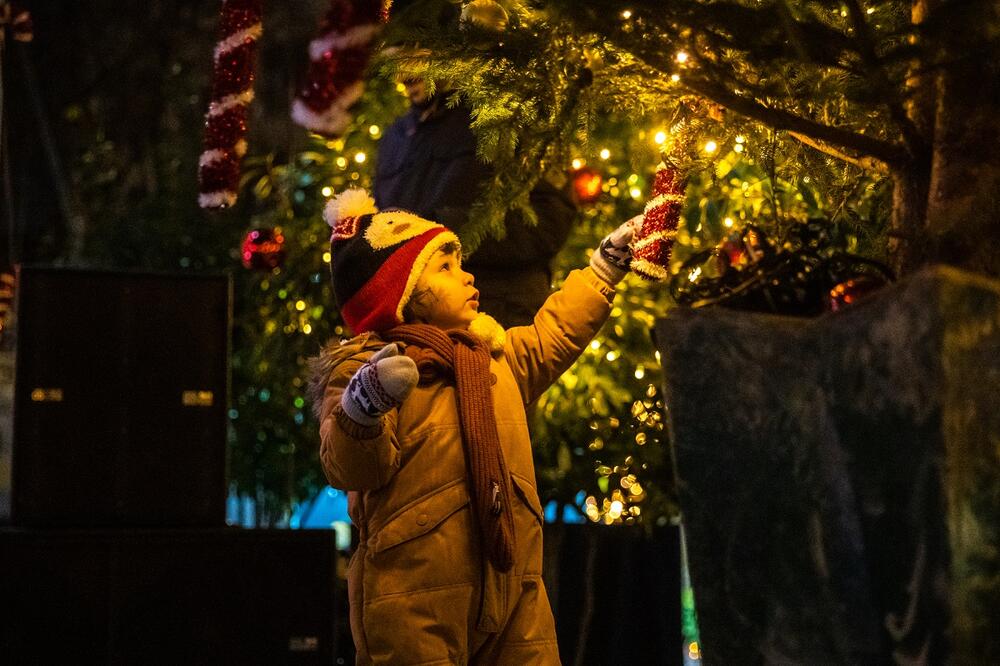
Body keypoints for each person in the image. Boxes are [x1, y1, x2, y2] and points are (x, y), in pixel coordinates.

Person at [309, 188, 639, 664]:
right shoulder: (368, 368)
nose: (467, 275)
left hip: (513, 578)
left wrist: (604, 267)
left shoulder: (491, 359)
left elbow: (554, 334)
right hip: (415, 591)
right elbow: (352, 466)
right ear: (402, 295)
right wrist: (365, 406)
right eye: (445, 267)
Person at [373, 78, 576, 328]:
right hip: (419, 329)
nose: (403, 74)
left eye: (412, 50)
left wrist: (445, 232)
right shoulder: (397, 137)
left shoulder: (509, 116)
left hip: (499, 318)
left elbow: (550, 220)